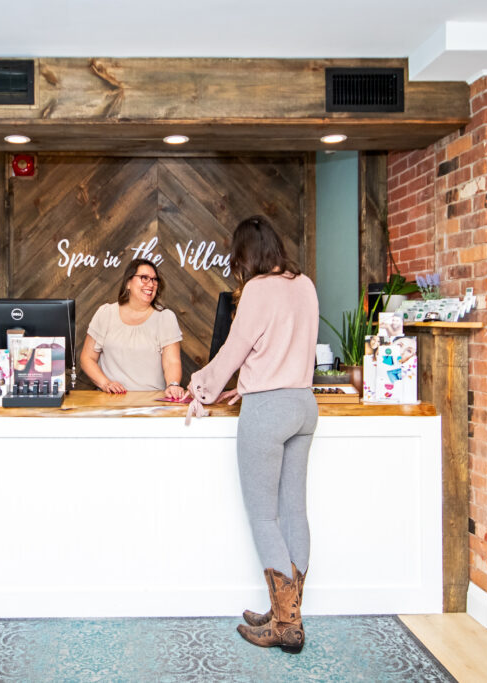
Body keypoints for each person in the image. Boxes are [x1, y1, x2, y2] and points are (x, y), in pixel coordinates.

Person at [186, 215, 318, 653]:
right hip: (303, 405)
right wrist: (241, 388)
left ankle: (285, 623)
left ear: (246, 255)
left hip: (268, 411)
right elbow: (285, 349)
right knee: (293, 511)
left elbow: (234, 350)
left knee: (264, 517)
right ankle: (289, 611)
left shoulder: (259, 289)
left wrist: (201, 387)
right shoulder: (305, 284)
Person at [80, 259, 185, 399]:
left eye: (154, 280)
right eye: (144, 278)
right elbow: (87, 358)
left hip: (153, 403)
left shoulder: (165, 317)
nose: (151, 284)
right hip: (110, 402)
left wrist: (173, 384)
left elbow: (172, 361)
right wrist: (105, 384)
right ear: (128, 283)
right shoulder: (105, 313)